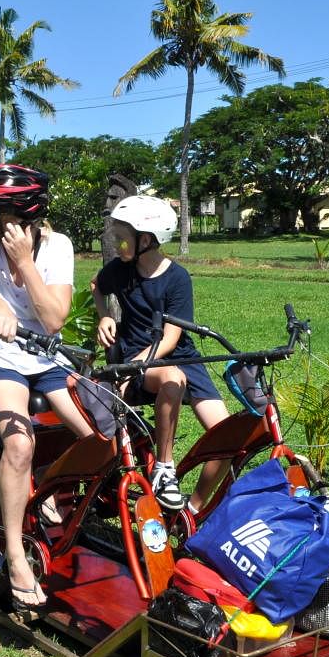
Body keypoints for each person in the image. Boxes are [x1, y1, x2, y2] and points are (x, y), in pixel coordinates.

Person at [0, 163, 92, 615]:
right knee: (18, 442)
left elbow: (54, 319)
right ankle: (16, 555)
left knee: (99, 439)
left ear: (14, 213)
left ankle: (50, 491)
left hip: (44, 358)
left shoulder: (58, 247)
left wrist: (24, 263)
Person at [91, 195, 232, 515]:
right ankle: (164, 467)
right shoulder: (119, 270)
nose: (116, 245)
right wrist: (105, 316)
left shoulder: (177, 278)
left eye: (122, 238)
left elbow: (170, 338)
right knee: (171, 379)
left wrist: (133, 366)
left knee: (226, 438)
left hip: (177, 355)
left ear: (146, 240)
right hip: (144, 364)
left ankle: (191, 511)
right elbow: (96, 286)